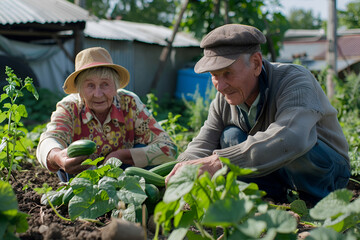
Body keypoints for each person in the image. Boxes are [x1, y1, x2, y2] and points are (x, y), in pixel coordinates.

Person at [165, 24, 350, 203]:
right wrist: (181, 169)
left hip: (326, 170)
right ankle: (272, 196)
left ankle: (314, 201)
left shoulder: (295, 81)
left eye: (228, 73)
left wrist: (218, 162)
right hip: (280, 169)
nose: (220, 86)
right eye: (214, 75)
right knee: (231, 135)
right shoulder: (225, 98)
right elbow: (203, 142)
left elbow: (292, 137)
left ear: (256, 63)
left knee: (291, 142)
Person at [36, 47, 177, 182]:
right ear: (79, 90)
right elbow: (50, 140)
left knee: (145, 153)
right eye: (90, 85)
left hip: (124, 175)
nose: (98, 94)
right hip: (80, 177)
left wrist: (120, 156)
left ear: (116, 87)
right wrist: (58, 157)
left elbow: (168, 148)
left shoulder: (130, 103)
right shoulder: (69, 107)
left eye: (105, 84)